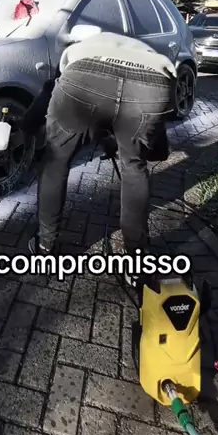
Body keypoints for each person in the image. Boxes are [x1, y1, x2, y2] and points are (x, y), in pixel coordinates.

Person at [21, 31, 177, 287]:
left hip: (83, 79)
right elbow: (155, 136)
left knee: (55, 161)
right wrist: (142, 152)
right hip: (153, 85)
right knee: (134, 168)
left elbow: (50, 95)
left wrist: (26, 126)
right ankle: (137, 263)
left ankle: (45, 246)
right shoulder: (144, 50)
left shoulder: (80, 50)